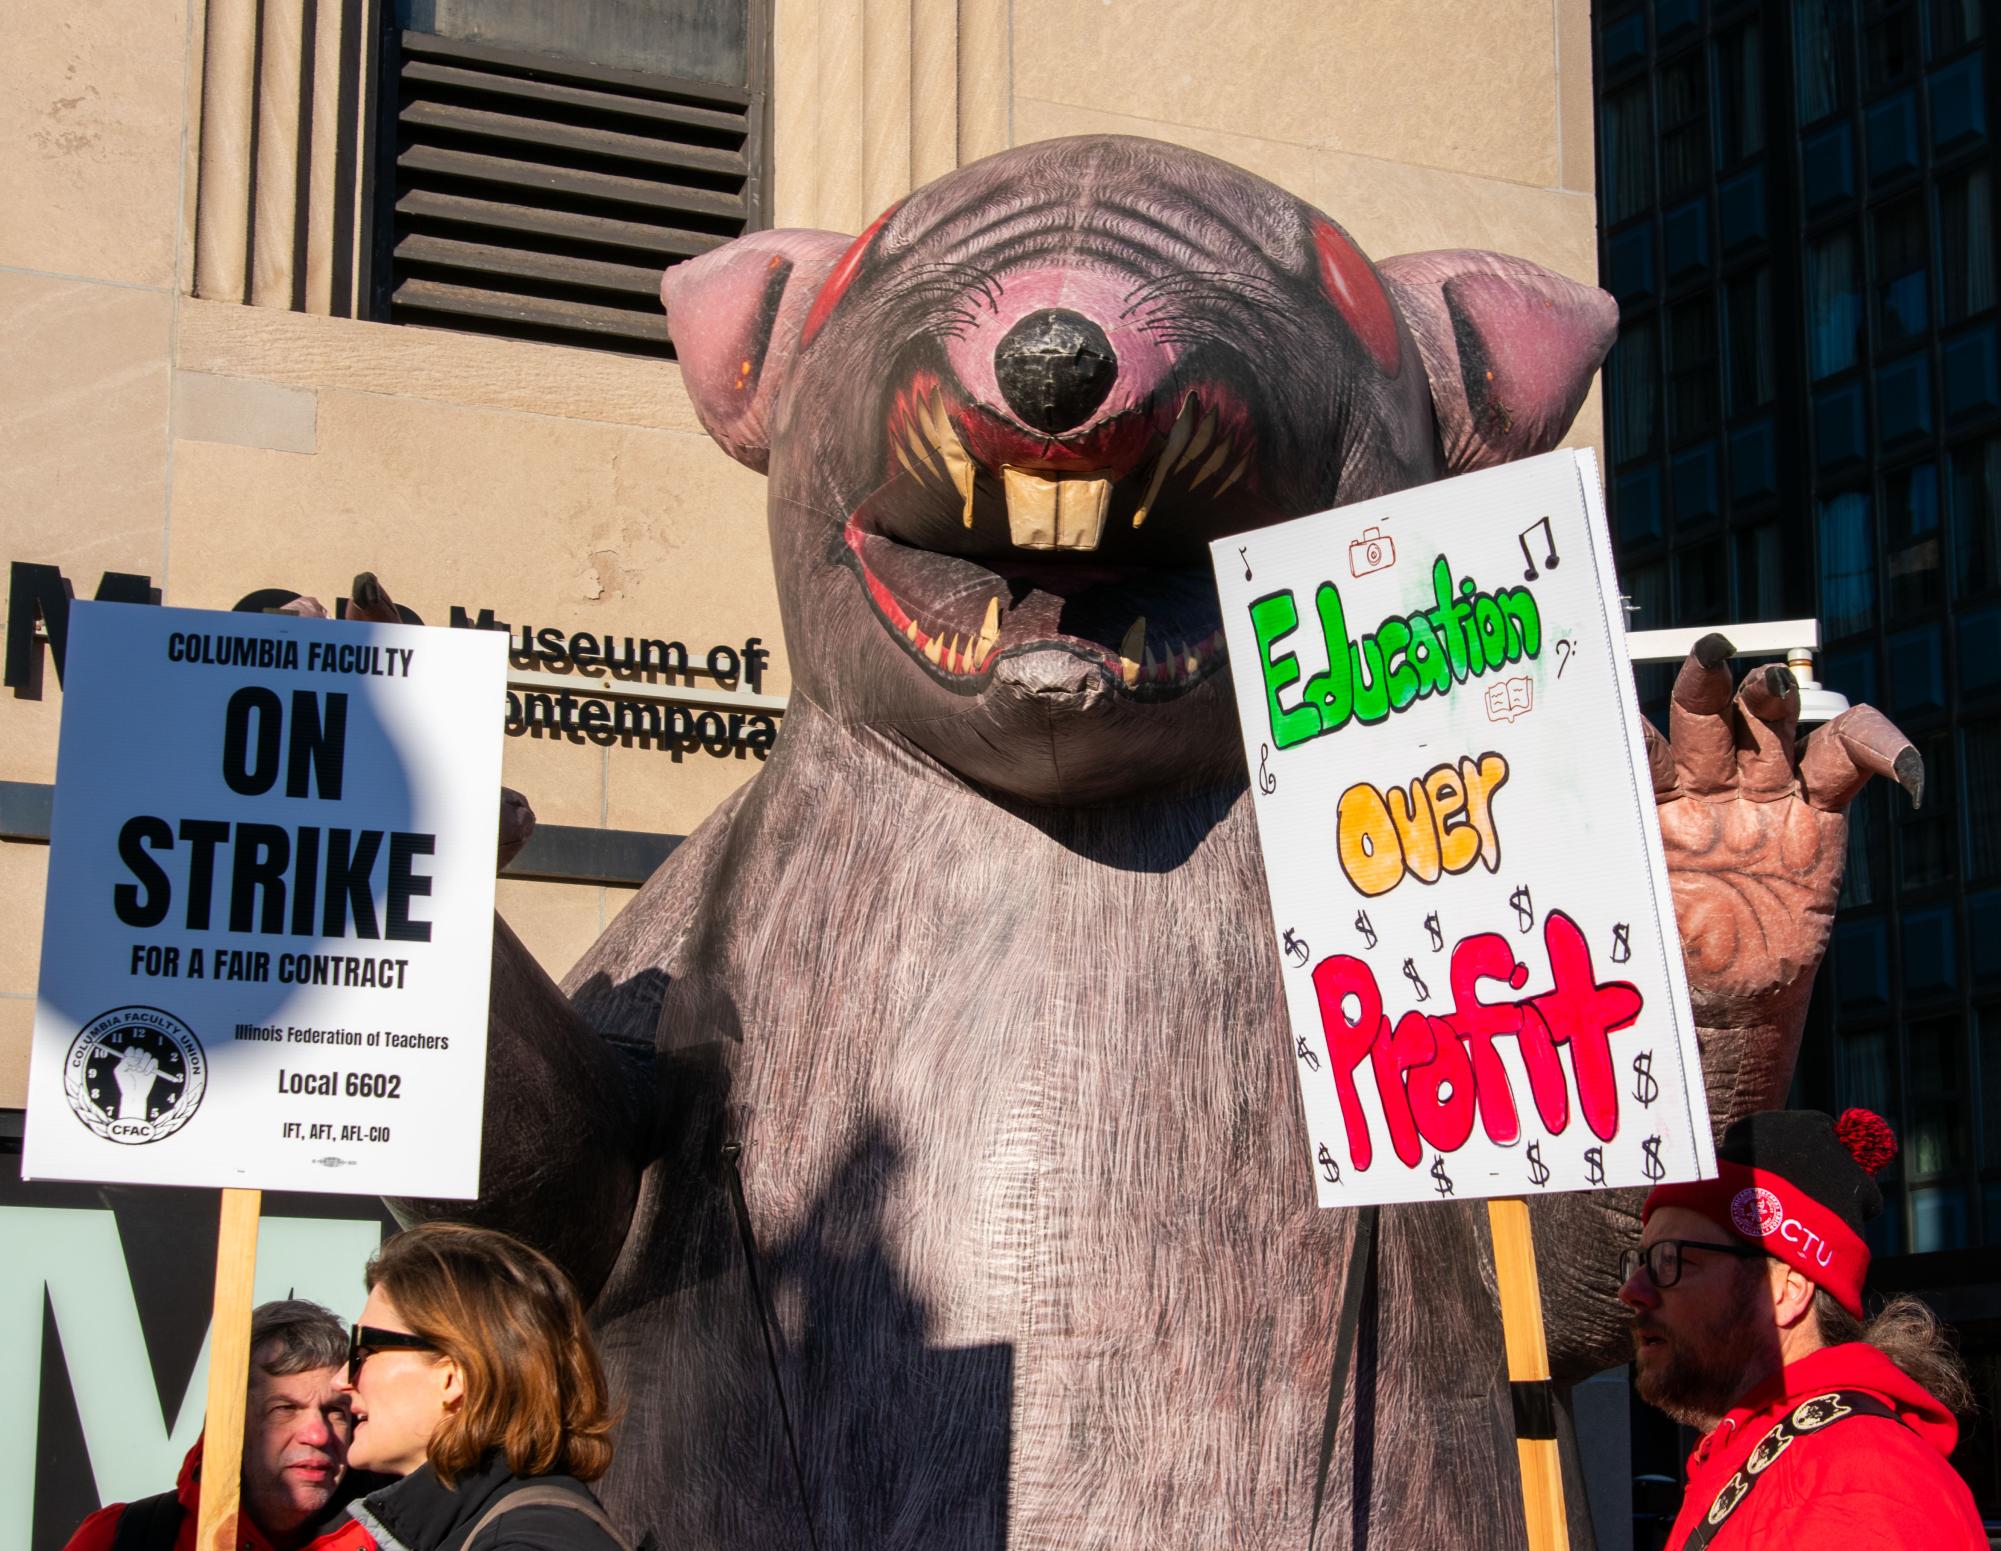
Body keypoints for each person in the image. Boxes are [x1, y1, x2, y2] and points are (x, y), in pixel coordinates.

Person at [1620, 1108, 1984, 1549]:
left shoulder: (1850, 1479)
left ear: (1786, 1290)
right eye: (1639, 1263)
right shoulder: (1780, 1458)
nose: (1632, 1290)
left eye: (1670, 1259)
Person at [340, 1222, 632, 1551]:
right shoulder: (498, 1525)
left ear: (455, 1376)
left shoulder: (526, 1543)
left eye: (363, 1353)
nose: (341, 1381)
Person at [63, 1299, 380, 1551]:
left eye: (335, 1411)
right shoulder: (126, 1538)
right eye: (284, 1409)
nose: (317, 1434)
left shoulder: (399, 1537)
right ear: (231, 1422)